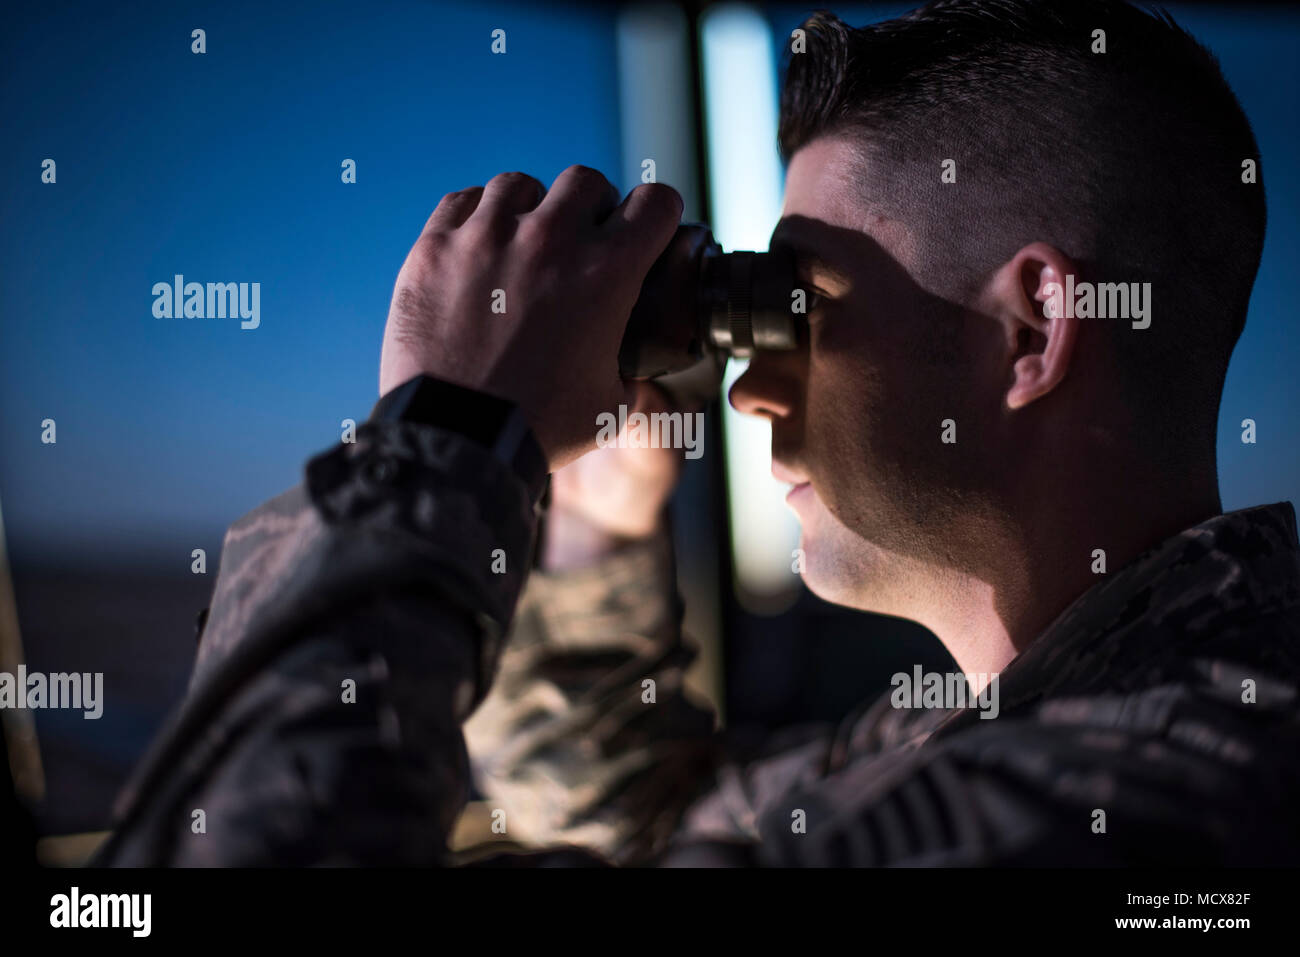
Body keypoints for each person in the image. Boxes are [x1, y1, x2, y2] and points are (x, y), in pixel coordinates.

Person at [96, 0, 1300, 866]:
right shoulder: (1025, 720)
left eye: (796, 308)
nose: (748, 392)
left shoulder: (1157, 789)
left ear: (1032, 332)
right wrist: (592, 528)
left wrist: (451, 436)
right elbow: (641, 825)